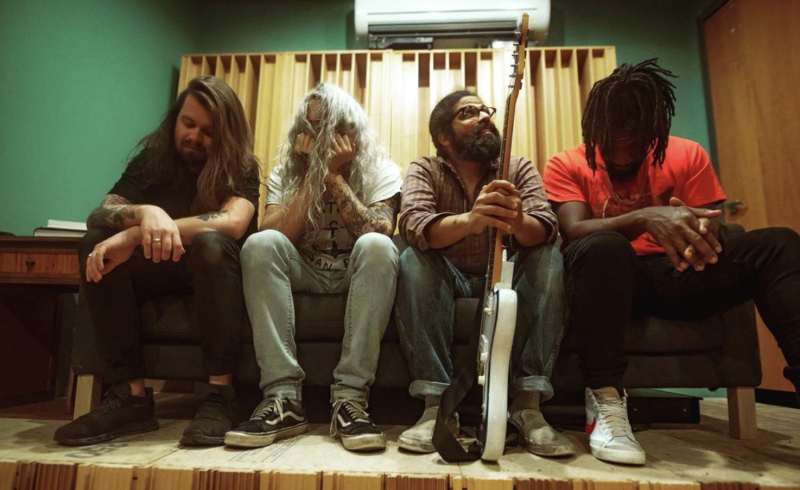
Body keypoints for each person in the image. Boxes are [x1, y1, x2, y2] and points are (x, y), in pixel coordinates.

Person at [544, 58, 800, 466]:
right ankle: (605, 402)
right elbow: (574, 231)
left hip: (680, 275)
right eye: (610, 141)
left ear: (654, 130)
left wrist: (704, 235)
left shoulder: (687, 154)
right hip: (611, 286)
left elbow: (710, 223)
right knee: (602, 246)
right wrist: (647, 217)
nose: (622, 153)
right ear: (593, 130)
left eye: (635, 142)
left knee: (778, 243)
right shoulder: (567, 162)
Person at [54, 75, 261, 447]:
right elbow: (100, 212)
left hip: (216, 274)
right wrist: (145, 212)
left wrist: (136, 234)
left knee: (211, 244)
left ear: (225, 135)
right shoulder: (152, 159)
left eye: (207, 131)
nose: (194, 136)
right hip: (159, 267)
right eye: (188, 123)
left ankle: (220, 395)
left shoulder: (240, 165)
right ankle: (129, 397)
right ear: (175, 117)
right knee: (96, 242)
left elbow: (233, 222)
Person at [393, 90, 574, 457]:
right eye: (468, 112)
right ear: (444, 136)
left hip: (506, 276)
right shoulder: (425, 168)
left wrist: (518, 221)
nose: (485, 116)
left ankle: (527, 406)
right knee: (413, 259)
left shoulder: (518, 167)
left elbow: (546, 226)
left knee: (549, 257)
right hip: (448, 276)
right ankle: (436, 407)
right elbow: (413, 224)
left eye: (486, 110)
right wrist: (471, 221)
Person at [224, 83, 402, 452]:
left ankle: (350, 399)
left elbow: (377, 229)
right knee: (259, 244)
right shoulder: (286, 173)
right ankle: (283, 399)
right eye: (311, 126)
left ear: (350, 130)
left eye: (329, 127)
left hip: (356, 272)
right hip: (303, 269)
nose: (319, 136)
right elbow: (274, 234)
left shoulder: (381, 171)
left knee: (379, 246)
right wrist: (314, 175)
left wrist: (334, 177)